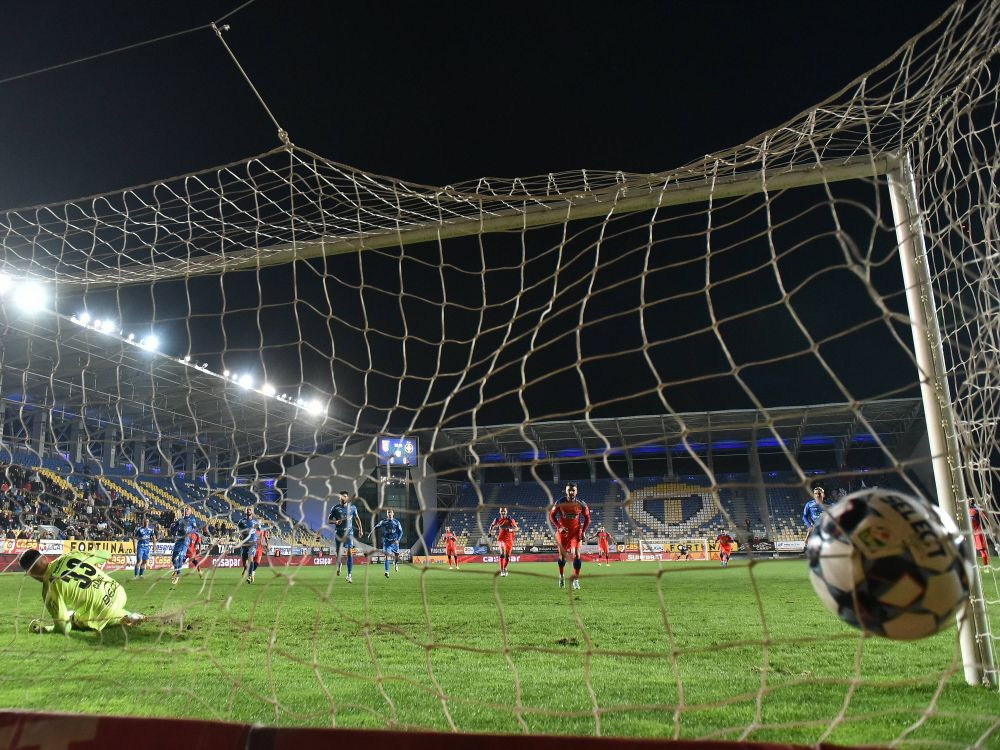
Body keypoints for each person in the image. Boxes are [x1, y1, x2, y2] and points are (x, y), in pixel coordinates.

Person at [19, 548, 145, 634]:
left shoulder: (49, 588)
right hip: (118, 592)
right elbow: (105, 554)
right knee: (94, 608)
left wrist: (48, 629)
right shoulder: (70, 555)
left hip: (102, 610)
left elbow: (64, 627)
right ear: (45, 557)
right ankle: (128, 615)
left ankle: (126, 617)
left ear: (30, 574)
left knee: (73, 619)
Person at [549, 482, 591, 590]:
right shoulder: (559, 502)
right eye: (569, 490)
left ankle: (576, 580)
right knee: (562, 557)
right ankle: (561, 576)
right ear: (566, 491)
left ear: (576, 491)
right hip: (563, 533)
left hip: (576, 532)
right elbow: (551, 516)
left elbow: (588, 518)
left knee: (576, 555)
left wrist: (583, 531)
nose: (571, 492)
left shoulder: (582, 504)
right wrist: (559, 527)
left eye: (573, 490)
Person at [328, 491, 364, 583]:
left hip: (349, 533)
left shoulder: (352, 508)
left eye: (345, 496)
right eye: (342, 496)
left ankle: (349, 575)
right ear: (339, 498)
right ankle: (339, 564)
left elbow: (357, 518)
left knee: (349, 552)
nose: (344, 498)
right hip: (338, 533)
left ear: (347, 498)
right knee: (338, 553)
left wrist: (360, 529)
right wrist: (336, 522)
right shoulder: (335, 508)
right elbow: (329, 520)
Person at [170, 505, 201, 585]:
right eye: (185, 509)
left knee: (181, 557)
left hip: (185, 541)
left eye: (187, 509)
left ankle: (178, 576)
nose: (186, 510)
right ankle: (176, 570)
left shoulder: (192, 520)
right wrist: (172, 529)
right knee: (173, 558)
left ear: (190, 511)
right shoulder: (180, 520)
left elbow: (195, 529)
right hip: (178, 540)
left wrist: (190, 532)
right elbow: (173, 529)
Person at [371, 508, 404, 578]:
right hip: (387, 542)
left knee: (397, 555)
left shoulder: (397, 522)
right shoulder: (384, 521)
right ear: (387, 514)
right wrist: (371, 533)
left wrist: (398, 540)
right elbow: (377, 526)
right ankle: (387, 571)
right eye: (388, 512)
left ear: (393, 513)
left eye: (390, 512)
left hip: (394, 542)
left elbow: (401, 532)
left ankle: (395, 563)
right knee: (386, 556)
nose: (389, 514)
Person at [488, 507, 518, 577]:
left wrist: (510, 530)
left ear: (506, 512)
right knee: (502, 553)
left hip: (509, 540)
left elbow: (516, 528)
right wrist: (489, 532)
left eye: (504, 511)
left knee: (507, 557)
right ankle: (502, 571)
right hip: (501, 539)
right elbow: (492, 525)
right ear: (500, 512)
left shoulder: (510, 519)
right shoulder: (497, 519)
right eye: (502, 511)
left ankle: (505, 568)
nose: (503, 512)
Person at [238, 507, 261, 583]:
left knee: (251, 558)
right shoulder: (241, 521)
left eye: (249, 510)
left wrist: (256, 538)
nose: (248, 511)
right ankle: (246, 570)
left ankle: (250, 576)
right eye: (247, 510)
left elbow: (259, 530)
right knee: (244, 562)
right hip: (245, 542)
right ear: (245, 511)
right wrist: (241, 535)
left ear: (252, 512)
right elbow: (239, 530)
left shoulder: (255, 522)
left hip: (252, 542)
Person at [970, 500, 990, 566]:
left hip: (977, 532)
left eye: (968, 500)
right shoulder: (964, 510)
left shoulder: (974, 509)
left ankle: (986, 565)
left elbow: (985, 516)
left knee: (982, 550)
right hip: (970, 533)